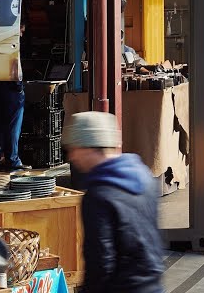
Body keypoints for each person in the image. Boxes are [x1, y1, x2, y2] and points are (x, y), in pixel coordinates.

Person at [64, 111, 164, 293]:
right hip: (152, 283)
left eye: (74, 148)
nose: (72, 157)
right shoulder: (145, 177)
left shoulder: (98, 195)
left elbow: (101, 261)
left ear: (89, 147)